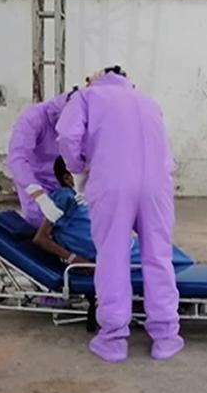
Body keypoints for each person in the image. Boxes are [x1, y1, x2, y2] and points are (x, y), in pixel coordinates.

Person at [56, 66, 183, 363]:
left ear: (94, 78)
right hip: (157, 185)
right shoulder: (148, 100)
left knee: (113, 257)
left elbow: (66, 133)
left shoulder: (88, 96)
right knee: (158, 257)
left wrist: (77, 165)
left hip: (112, 184)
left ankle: (113, 338)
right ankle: (165, 335)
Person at [7, 88, 77, 226]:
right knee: (43, 226)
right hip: (37, 184)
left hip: (69, 184)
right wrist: (39, 196)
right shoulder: (33, 119)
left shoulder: (87, 119)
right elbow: (17, 159)